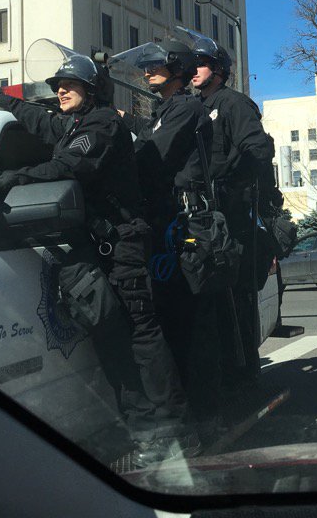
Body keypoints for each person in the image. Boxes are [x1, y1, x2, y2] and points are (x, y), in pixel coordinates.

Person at [0, 54, 194, 466]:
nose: (60, 91)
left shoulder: (102, 124)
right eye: (57, 86)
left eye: (69, 84)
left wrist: (1, 179)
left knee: (140, 337)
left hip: (122, 245)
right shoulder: (73, 124)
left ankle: (174, 432)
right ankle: (143, 429)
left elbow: (66, 166)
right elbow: (40, 121)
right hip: (96, 246)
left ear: (92, 90)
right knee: (111, 338)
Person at [113, 38, 224, 434]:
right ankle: (192, 413)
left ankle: (203, 417)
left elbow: (150, 155)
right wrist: (121, 119)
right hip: (167, 224)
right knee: (172, 319)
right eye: (145, 66)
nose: (147, 71)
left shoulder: (186, 108)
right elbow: (149, 133)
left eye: (156, 65)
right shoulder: (166, 110)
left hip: (186, 228)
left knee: (187, 322)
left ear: (177, 67)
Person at [185, 29, 281, 393]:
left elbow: (258, 149)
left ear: (219, 70)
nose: (195, 69)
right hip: (204, 218)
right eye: (192, 64)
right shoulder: (195, 107)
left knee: (236, 298)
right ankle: (223, 374)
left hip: (232, 218)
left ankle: (244, 378)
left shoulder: (233, 104)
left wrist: (226, 180)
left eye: (202, 63)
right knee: (213, 301)